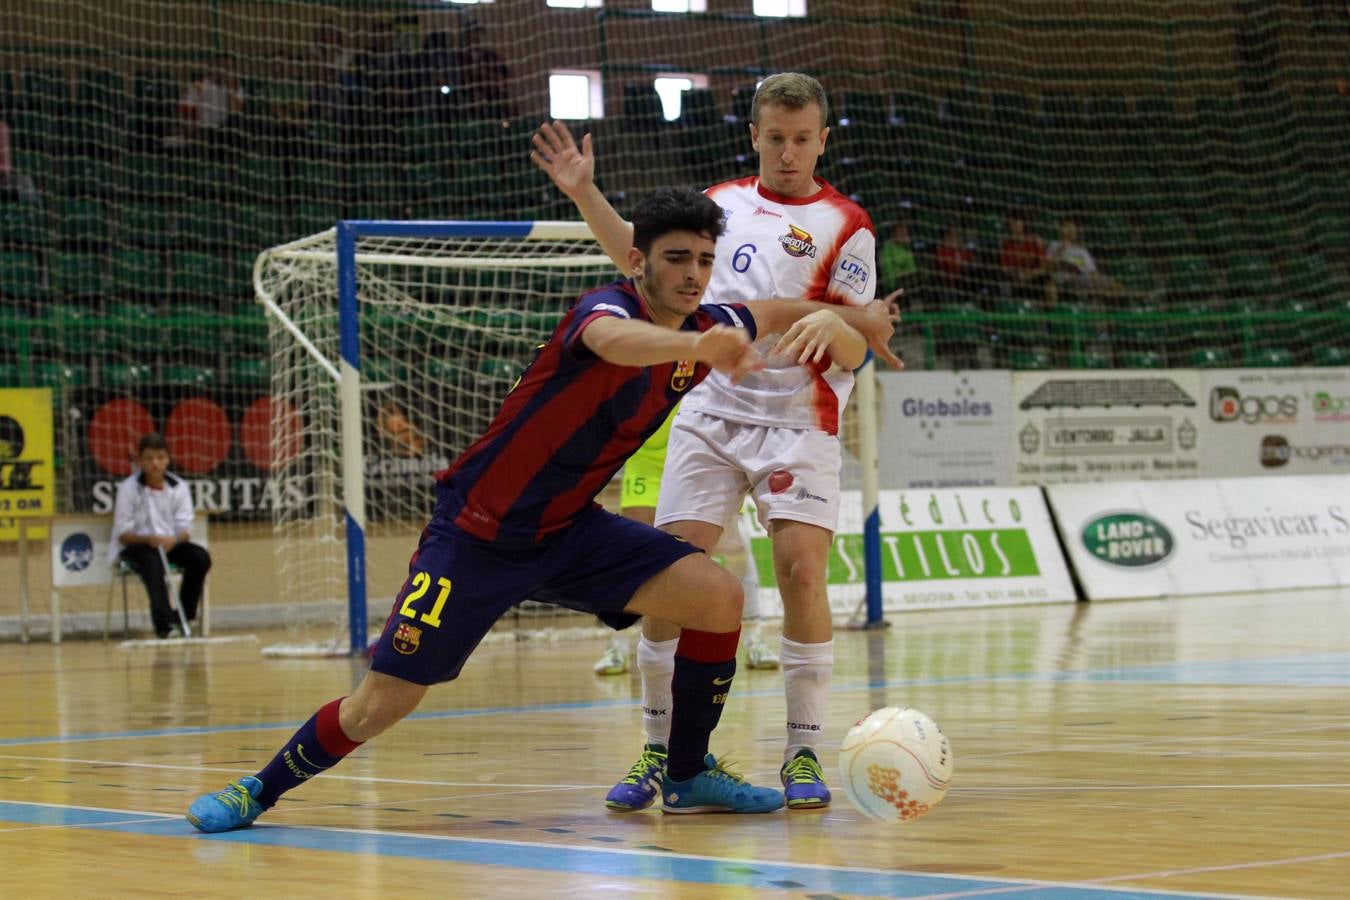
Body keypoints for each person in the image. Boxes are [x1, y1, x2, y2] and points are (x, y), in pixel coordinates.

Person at [186, 187, 885, 833]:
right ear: (639, 260)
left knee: (716, 595)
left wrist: (858, 318)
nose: (693, 274)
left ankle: (685, 771)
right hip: (475, 537)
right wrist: (695, 346)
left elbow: (779, 313)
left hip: (568, 532)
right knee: (378, 705)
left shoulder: (713, 321)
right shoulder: (608, 311)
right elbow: (614, 345)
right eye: (676, 258)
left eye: (704, 261)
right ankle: (256, 789)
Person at [531, 71, 903, 812]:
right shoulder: (722, 206)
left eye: (802, 140)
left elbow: (864, 350)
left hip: (802, 419)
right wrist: (582, 192)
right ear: (754, 136)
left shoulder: (847, 224)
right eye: (775, 138)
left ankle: (801, 753)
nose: (788, 152)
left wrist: (842, 328)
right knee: (673, 574)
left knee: (801, 569)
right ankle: (658, 748)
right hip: (709, 408)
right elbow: (641, 266)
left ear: (823, 140)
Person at [593, 414, 779, 677]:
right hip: (648, 461)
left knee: (735, 549)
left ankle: (753, 637)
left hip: (698, 457)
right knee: (631, 556)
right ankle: (617, 645)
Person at [110, 433, 212, 640]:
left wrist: (173, 540)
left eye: (159, 457)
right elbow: (123, 534)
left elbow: (185, 528)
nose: (155, 463)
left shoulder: (179, 487)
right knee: (152, 562)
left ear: (168, 459)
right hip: (139, 546)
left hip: (169, 543)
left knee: (200, 557)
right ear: (140, 460)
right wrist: (148, 540)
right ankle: (164, 625)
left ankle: (183, 615)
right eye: (148, 458)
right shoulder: (129, 488)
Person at [1047, 217, 1123, 301]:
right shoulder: (1054, 245)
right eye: (1068, 227)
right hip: (1066, 280)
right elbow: (1049, 266)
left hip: (1085, 279)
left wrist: (1098, 278)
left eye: (1074, 228)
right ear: (1061, 230)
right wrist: (1061, 249)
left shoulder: (1082, 251)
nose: (1072, 230)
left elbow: (1092, 271)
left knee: (1115, 285)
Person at [999, 211, 1056, 304]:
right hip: (1015, 281)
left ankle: (1052, 314)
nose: (1015, 226)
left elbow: (1044, 266)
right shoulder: (1006, 245)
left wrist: (1031, 274)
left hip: (1033, 278)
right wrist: (1018, 275)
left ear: (1023, 224)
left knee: (1049, 282)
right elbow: (1004, 268)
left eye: (1017, 222)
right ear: (1009, 226)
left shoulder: (1035, 241)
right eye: (1012, 223)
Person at [878, 221, 918, 295]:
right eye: (901, 232)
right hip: (893, 288)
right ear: (894, 234)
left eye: (905, 232)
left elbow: (912, 269)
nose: (904, 235)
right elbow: (888, 273)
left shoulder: (906, 249)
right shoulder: (887, 249)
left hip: (909, 285)